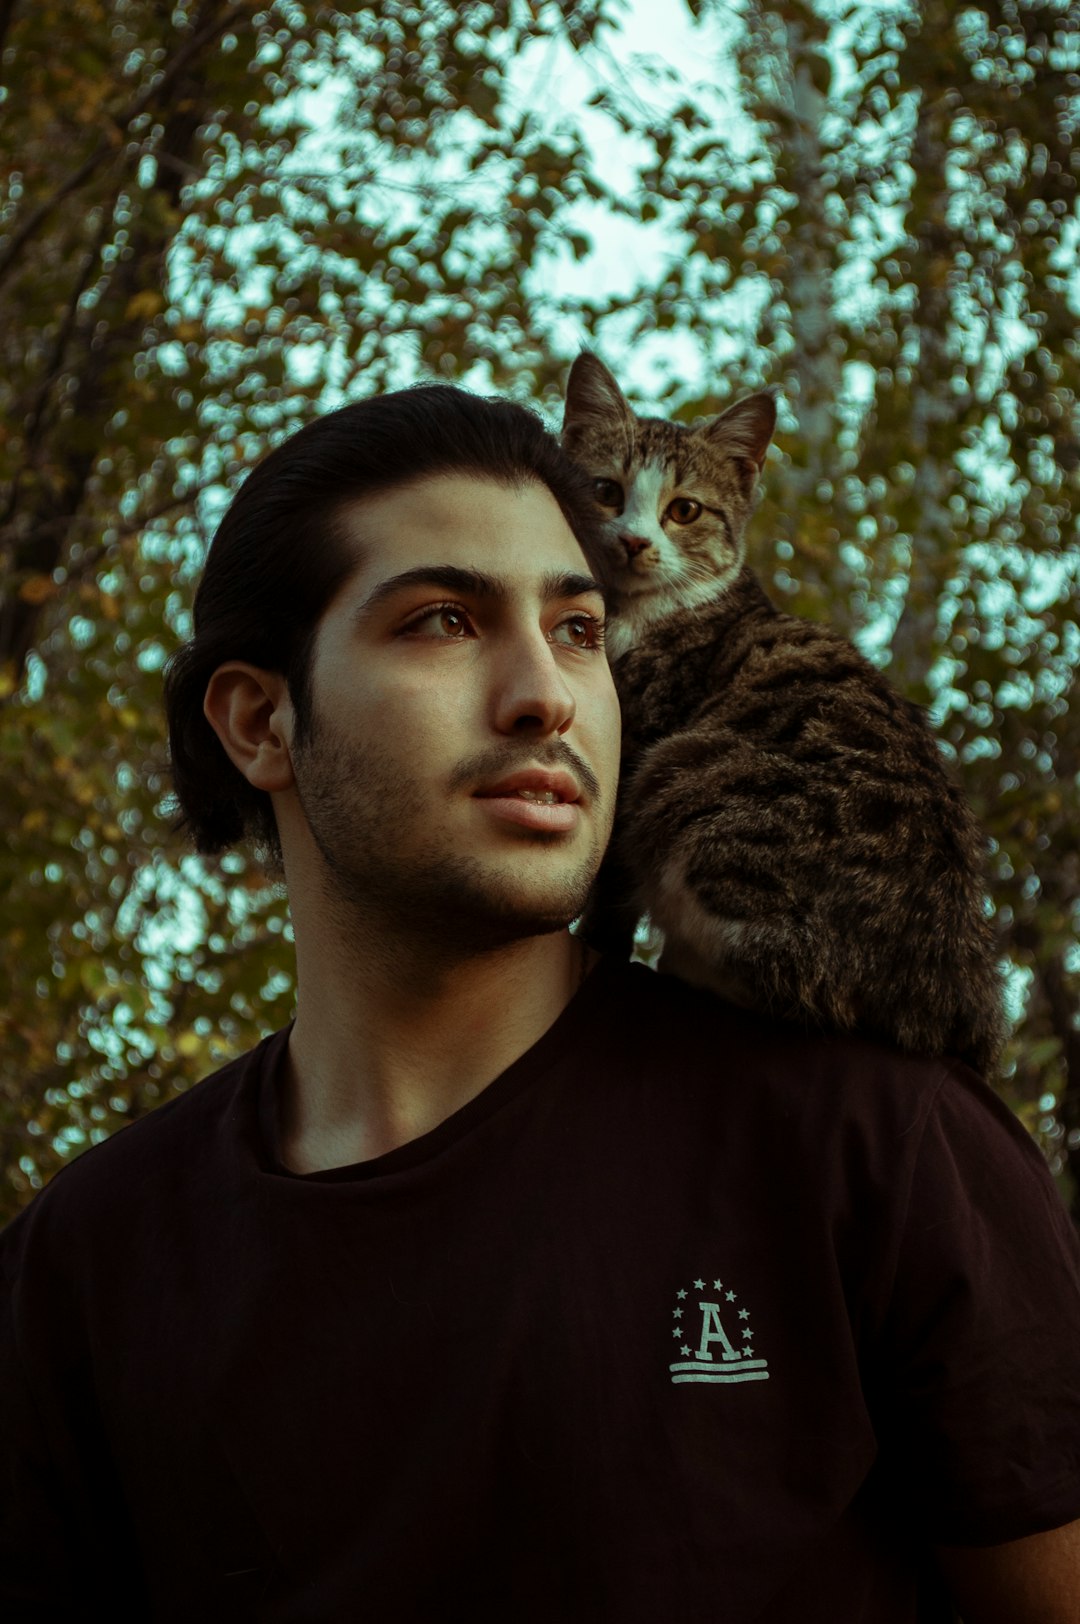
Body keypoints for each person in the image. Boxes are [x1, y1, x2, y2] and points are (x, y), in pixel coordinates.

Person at [2, 383, 1079, 1624]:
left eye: (579, 629)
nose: (548, 694)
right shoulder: (87, 1262)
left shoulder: (878, 1144)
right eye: (446, 620)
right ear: (260, 720)